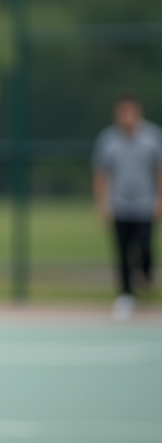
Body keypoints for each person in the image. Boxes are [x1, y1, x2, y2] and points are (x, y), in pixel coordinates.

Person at [92, 92, 162, 320]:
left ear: (138, 112)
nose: (127, 116)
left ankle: (147, 272)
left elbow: (158, 171)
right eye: (123, 112)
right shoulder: (108, 140)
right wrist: (102, 205)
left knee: (145, 246)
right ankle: (125, 296)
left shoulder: (152, 137)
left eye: (130, 111)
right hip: (119, 204)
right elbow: (101, 175)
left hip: (145, 204)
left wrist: (160, 199)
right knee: (122, 252)